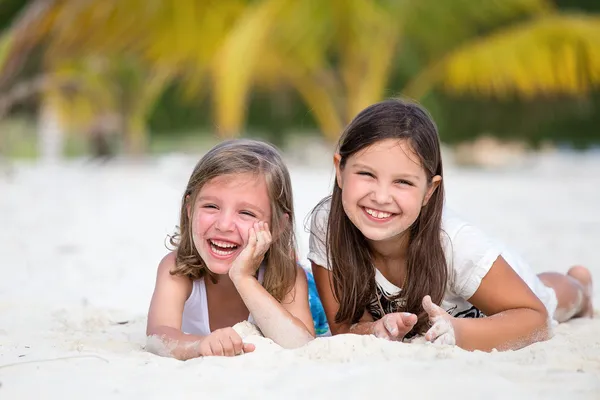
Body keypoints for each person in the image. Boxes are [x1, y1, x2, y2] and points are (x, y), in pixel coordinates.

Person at [308, 99, 594, 352]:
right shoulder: (328, 225)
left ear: (429, 191)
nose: (381, 197)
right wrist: (377, 330)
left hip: (499, 287)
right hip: (482, 284)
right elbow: (344, 326)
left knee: (551, 295)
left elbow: (536, 320)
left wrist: (457, 331)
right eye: (367, 174)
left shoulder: (456, 243)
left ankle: (580, 285)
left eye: (403, 182)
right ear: (340, 171)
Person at [147, 139, 315, 360]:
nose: (224, 225)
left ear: (278, 226)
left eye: (246, 213)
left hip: (313, 303)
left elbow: (302, 346)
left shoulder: (290, 277)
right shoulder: (177, 269)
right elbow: (158, 337)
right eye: (211, 206)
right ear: (189, 209)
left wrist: (244, 278)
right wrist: (199, 345)